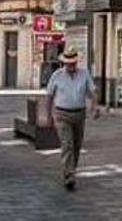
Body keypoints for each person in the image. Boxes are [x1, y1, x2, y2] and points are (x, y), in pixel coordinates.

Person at [45, 48, 100, 191]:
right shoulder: (57, 75)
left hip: (79, 114)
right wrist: (48, 116)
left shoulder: (84, 74)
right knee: (67, 144)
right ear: (64, 63)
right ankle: (69, 176)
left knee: (76, 145)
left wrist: (95, 107)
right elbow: (49, 96)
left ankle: (71, 169)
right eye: (68, 64)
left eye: (73, 64)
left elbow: (92, 91)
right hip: (62, 114)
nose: (71, 66)